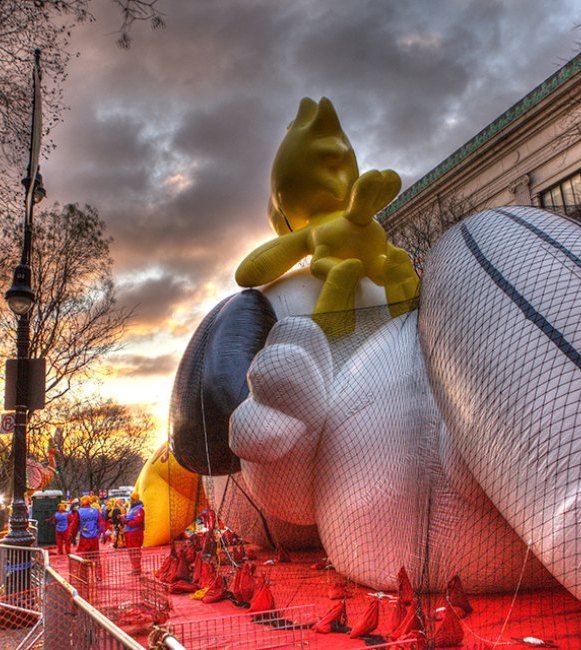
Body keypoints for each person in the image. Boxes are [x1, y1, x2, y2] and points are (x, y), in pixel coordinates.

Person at [70, 495, 104, 578]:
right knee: (96, 557)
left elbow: (75, 525)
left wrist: (72, 536)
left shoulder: (79, 512)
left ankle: (84, 576)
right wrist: (100, 533)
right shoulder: (96, 511)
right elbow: (101, 523)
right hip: (94, 537)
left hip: (84, 537)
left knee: (84, 557)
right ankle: (98, 575)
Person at [121, 492, 145, 574]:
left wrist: (126, 521)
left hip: (135, 533)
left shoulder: (139, 509)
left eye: (131, 499)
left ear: (134, 500)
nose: (130, 500)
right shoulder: (132, 509)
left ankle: (137, 569)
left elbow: (138, 521)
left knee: (135, 551)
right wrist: (123, 518)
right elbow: (130, 518)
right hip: (129, 533)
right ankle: (135, 568)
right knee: (131, 551)